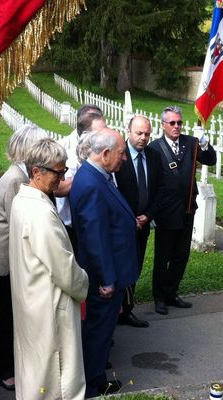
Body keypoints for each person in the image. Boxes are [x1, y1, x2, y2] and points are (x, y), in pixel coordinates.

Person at [9, 138, 89, 399]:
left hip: (31, 298)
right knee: (56, 379)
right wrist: (84, 283)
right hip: (49, 305)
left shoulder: (24, 200)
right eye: (59, 171)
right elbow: (63, 267)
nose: (62, 178)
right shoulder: (40, 212)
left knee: (34, 370)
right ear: (36, 172)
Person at [70, 128, 140, 397]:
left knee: (101, 333)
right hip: (103, 280)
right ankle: (91, 386)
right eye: (122, 153)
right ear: (106, 153)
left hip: (111, 272)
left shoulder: (98, 176)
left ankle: (95, 379)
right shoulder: (90, 183)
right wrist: (107, 279)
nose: (125, 158)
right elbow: (95, 238)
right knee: (98, 334)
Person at [0, 125, 48, 391]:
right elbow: (19, 221)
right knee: (5, 318)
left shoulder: (21, 174)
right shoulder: (14, 179)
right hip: (7, 259)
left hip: (15, 256)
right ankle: (2, 371)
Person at [148, 105, 216, 315]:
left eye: (179, 122)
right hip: (166, 211)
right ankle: (159, 297)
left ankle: (171, 292)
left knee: (181, 255)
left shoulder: (191, 143)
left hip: (187, 208)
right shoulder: (155, 148)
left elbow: (211, 160)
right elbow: (152, 181)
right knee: (163, 256)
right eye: (172, 123)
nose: (177, 126)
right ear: (163, 125)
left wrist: (204, 143)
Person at [114, 115, 163, 328]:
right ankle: (116, 310)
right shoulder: (118, 156)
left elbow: (160, 189)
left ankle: (128, 309)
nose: (143, 138)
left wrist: (149, 215)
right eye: (139, 133)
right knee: (119, 269)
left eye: (147, 134)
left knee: (135, 267)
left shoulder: (153, 156)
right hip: (122, 226)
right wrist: (128, 218)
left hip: (143, 224)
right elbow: (113, 191)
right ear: (129, 131)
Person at [56, 107, 106, 245]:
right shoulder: (66, 152)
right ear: (86, 134)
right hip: (72, 227)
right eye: (101, 132)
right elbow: (57, 189)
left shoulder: (105, 151)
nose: (106, 134)